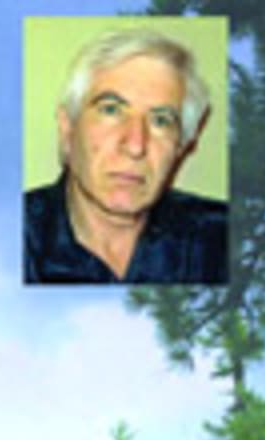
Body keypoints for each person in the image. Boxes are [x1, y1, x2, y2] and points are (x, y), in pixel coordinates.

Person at [24, 28, 227, 284]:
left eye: (161, 120)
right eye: (111, 110)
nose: (135, 146)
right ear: (68, 129)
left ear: (181, 146)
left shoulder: (223, 239)